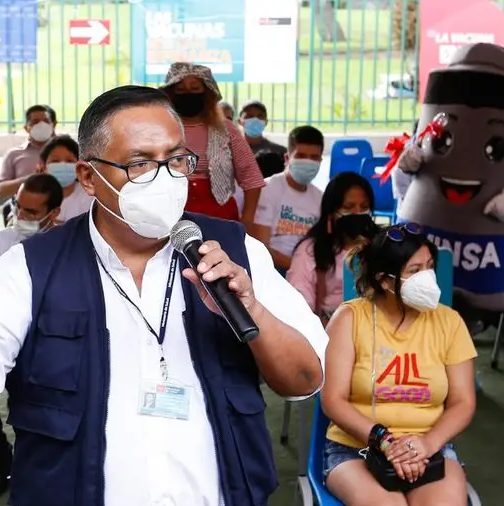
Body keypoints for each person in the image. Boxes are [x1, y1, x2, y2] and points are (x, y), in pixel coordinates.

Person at [0, 85, 327, 506]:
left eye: (175, 160)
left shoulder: (236, 253)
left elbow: (304, 378)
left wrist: (252, 307)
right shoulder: (29, 269)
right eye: (138, 163)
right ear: (88, 177)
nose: (163, 177)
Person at [321, 225, 477, 506]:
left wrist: (426, 443)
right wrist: (385, 440)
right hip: (354, 449)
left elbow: (463, 402)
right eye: (414, 271)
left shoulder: (448, 322)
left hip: (430, 446)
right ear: (386, 281)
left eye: (429, 267)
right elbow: (333, 401)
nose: (427, 278)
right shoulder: (350, 319)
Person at [0, 173, 63, 501]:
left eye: (32, 212)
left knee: (36, 404)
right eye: (18, 207)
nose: (21, 216)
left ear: (54, 213)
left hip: (46, 341)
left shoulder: (65, 246)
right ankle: (2, 460)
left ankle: (36, 468)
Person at [161, 62, 266, 227]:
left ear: (208, 93)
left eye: (195, 89)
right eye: (180, 90)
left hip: (219, 216)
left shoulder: (226, 130)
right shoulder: (160, 128)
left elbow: (251, 178)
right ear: (170, 94)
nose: (188, 94)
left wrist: (247, 221)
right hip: (169, 214)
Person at [287, 172, 378, 325]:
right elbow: (299, 300)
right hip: (328, 330)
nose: (357, 213)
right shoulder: (310, 250)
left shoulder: (379, 244)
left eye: (364, 207)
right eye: (348, 207)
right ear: (331, 212)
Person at [252, 125, 326, 272]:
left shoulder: (320, 198)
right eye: (301, 156)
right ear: (287, 157)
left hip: (307, 271)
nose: (308, 162)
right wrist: (300, 269)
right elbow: (262, 248)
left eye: (314, 158)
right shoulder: (268, 189)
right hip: (272, 269)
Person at [0, 104, 58, 201]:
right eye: (35, 122)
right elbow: (2, 191)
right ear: (26, 127)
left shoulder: (69, 151)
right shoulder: (14, 155)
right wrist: (30, 180)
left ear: (53, 125)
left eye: (46, 121)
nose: (41, 125)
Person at [36, 134, 93, 223]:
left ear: (79, 165)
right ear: (43, 167)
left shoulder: (89, 197)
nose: (62, 165)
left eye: (69, 161)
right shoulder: (34, 195)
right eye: (55, 161)